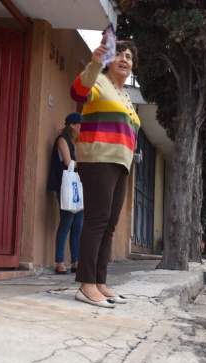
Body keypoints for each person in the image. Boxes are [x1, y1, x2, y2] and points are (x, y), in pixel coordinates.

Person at [69, 36, 141, 308]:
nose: (124, 59)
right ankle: (86, 284)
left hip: (121, 164)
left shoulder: (125, 95)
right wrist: (94, 62)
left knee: (110, 224)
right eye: (119, 54)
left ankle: (100, 281)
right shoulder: (99, 82)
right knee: (97, 220)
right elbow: (78, 92)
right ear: (109, 60)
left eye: (129, 57)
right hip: (98, 159)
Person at [46, 112, 84, 275]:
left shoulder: (73, 142)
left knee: (78, 226)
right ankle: (59, 261)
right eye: (79, 125)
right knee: (66, 224)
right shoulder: (62, 140)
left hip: (76, 187)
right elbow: (68, 163)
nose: (80, 128)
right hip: (66, 186)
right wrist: (85, 165)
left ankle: (75, 261)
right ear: (73, 125)